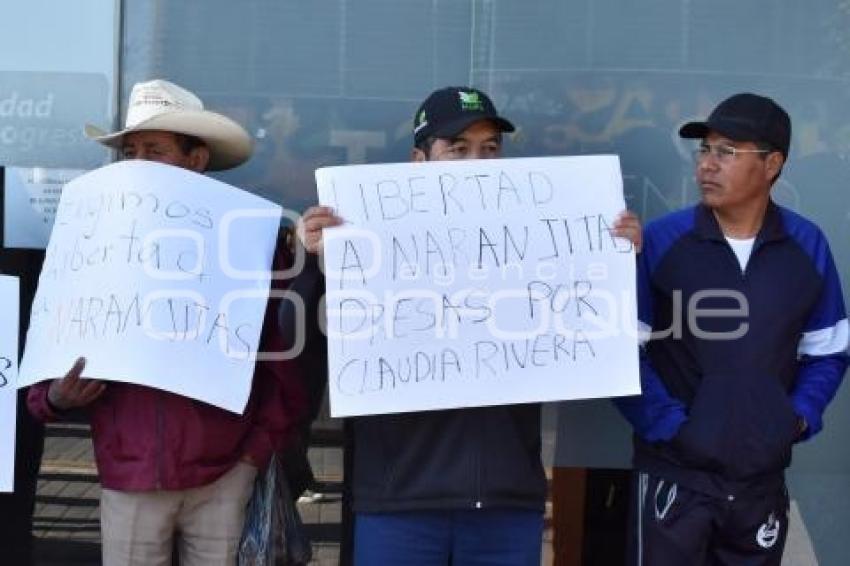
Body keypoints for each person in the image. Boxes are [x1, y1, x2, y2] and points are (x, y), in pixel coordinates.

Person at [295, 86, 642, 565]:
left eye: (489, 148)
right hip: (399, 501)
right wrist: (314, 263)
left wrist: (617, 259)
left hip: (505, 500)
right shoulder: (363, 242)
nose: (476, 161)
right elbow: (302, 340)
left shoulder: (537, 239)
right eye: (458, 149)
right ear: (420, 160)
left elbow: (600, 330)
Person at [27, 79, 305, 566]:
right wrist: (52, 397)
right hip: (130, 475)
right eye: (129, 152)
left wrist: (252, 458)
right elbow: (56, 347)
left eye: (153, 151)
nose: (137, 163)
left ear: (195, 160)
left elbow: (281, 362)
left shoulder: (246, 241)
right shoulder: (94, 241)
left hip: (223, 476)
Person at [615, 93, 849, 565]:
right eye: (704, 151)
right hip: (674, 479)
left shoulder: (806, 244)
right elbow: (621, 351)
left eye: (727, 152)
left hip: (759, 486)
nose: (707, 165)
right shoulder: (662, 241)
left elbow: (829, 350)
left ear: (772, 164)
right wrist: (671, 428)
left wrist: (796, 417)